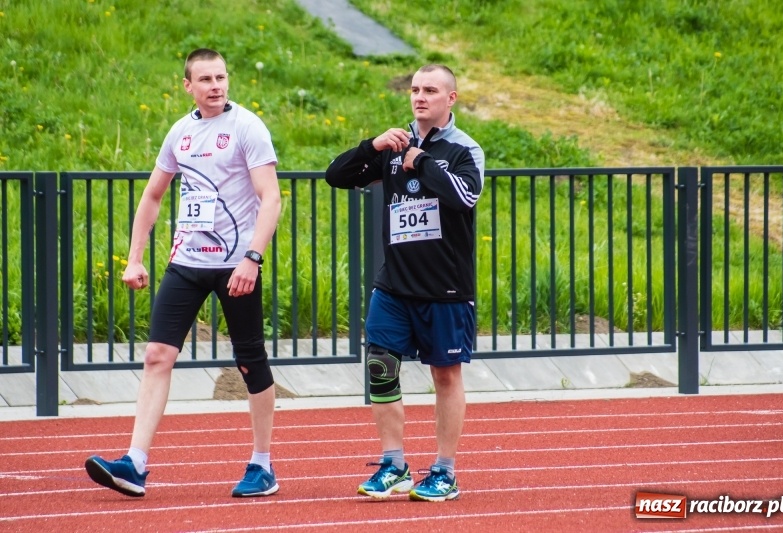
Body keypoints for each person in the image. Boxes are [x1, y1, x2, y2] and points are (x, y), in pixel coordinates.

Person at [84, 48, 282, 498]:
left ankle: (262, 463)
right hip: (187, 262)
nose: (216, 85)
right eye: (206, 79)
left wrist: (253, 257)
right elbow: (153, 195)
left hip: (236, 263)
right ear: (187, 85)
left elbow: (270, 198)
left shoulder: (247, 127)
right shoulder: (180, 131)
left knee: (250, 361)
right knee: (156, 354)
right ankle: (134, 463)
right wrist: (135, 258)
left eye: (222, 77)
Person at [325, 64, 484, 502]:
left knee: (445, 376)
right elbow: (336, 176)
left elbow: (463, 196)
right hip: (393, 285)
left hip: (445, 289)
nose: (419, 97)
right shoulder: (394, 145)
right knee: (381, 367)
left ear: (451, 98)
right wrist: (371, 146)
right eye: (415, 89)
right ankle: (393, 464)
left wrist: (424, 162)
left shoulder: (464, 150)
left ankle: (444, 472)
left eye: (430, 90)